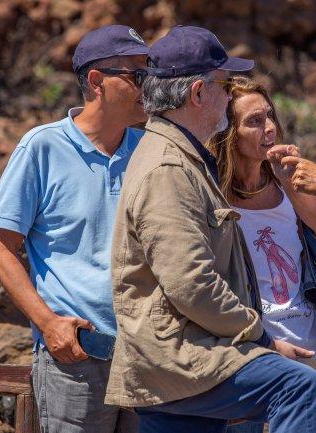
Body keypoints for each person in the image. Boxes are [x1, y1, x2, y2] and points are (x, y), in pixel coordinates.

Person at [104, 25, 316, 433]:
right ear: (198, 94)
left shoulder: (182, 159)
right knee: (299, 387)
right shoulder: (169, 167)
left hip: (180, 361)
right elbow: (192, 283)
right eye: (222, 85)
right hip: (182, 360)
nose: (227, 94)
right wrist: (262, 339)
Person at [0, 24, 149, 433]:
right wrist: (48, 324)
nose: (151, 87)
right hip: (76, 358)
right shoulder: (42, 147)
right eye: (138, 75)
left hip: (147, 356)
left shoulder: (150, 151)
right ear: (97, 81)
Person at [207, 76, 316, 433]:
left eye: (269, 116)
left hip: (310, 351)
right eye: (254, 121)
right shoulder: (211, 198)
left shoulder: (290, 184)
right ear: (228, 133)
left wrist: (293, 185)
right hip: (256, 360)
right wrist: (263, 344)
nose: (269, 128)